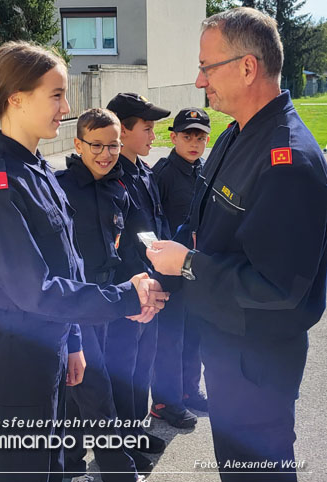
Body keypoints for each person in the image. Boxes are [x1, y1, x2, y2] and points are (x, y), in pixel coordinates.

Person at [0, 41, 168, 482]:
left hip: (48, 340)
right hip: (17, 352)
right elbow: (35, 288)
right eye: (56, 94)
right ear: (16, 98)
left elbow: (66, 265)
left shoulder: (36, 169)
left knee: (51, 467)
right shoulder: (2, 183)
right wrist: (126, 297)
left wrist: (72, 341)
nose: (66, 106)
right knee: (22, 471)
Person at [147, 7, 327, 482]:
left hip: (257, 367)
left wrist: (188, 266)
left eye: (207, 67)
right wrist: (170, 265)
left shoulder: (287, 159)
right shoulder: (238, 131)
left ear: (248, 68)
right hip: (230, 351)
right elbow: (211, 226)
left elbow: (279, 287)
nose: (199, 80)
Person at [55, 108, 146, 482]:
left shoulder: (118, 188)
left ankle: (72, 463)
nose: (106, 154)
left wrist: (137, 290)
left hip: (107, 299)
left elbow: (122, 248)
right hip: (76, 301)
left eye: (113, 145)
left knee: (82, 385)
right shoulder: (58, 185)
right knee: (97, 392)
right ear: (78, 144)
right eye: (96, 145)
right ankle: (119, 473)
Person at [104, 93, 171, 458]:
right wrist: (138, 289)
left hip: (151, 287)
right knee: (123, 369)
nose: (153, 135)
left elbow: (153, 232)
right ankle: (122, 442)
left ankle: (135, 431)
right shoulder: (113, 176)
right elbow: (117, 244)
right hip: (130, 291)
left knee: (142, 366)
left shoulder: (144, 172)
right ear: (123, 129)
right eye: (146, 128)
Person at [150, 108, 211, 429]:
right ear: (172, 137)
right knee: (170, 339)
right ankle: (165, 401)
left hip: (194, 270)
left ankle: (188, 391)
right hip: (168, 272)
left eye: (200, 137)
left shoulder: (206, 170)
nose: (193, 143)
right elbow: (153, 223)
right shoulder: (162, 174)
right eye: (187, 136)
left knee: (194, 335)